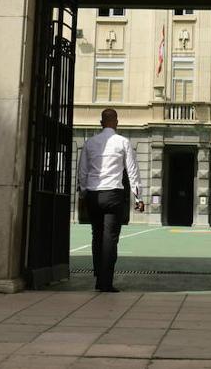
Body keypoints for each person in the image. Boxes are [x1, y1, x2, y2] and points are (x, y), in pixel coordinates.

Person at [76, 108, 144, 292]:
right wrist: (138, 197)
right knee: (110, 238)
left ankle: (98, 273)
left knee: (96, 235)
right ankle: (106, 281)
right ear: (116, 122)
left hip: (93, 193)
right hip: (113, 194)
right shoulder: (123, 142)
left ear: (101, 123)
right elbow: (132, 171)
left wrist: (83, 193)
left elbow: (82, 171)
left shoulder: (89, 143)